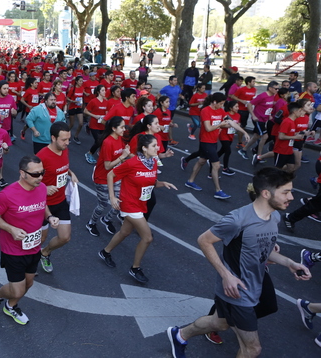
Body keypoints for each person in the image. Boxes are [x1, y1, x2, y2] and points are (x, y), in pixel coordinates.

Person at [167, 167, 311, 358]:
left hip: (256, 281)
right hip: (237, 290)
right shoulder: (237, 220)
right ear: (266, 193)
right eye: (286, 192)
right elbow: (204, 240)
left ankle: (179, 335)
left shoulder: (274, 216)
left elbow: (264, 249)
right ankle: (184, 334)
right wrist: (226, 276)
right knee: (253, 349)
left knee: (220, 323)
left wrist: (289, 262)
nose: (291, 197)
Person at [0, 155, 59, 325]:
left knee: (29, 284)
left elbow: (43, 204)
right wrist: (10, 229)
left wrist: (50, 217)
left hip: (34, 246)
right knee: (17, 289)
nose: (40, 177)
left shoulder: (40, 188)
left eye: (42, 173)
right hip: (13, 249)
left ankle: (10, 306)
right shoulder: (8, 194)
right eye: (35, 174)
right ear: (22, 173)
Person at [98, 134, 177, 284]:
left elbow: (151, 181)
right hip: (129, 203)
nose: (158, 148)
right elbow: (110, 174)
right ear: (144, 148)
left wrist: (162, 183)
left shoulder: (153, 162)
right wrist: (112, 197)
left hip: (141, 203)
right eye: (154, 146)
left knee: (125, 232)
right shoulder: (132, 163)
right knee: (147, 237)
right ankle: (135, 268)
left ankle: (105, 252)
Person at [36, 122, 78, 273]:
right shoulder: (41, 157)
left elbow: (63, 167)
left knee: (65, 237)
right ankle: (28, 264)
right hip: (43, 205)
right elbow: (28, 181)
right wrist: (44, 188)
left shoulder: (64, 150)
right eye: (64, 140)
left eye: (69, 139)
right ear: (53, 138)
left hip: (60, 201)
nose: (67, 143)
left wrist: (71, 173)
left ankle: (45, 253)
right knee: (39, 239)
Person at [185, 93, 242, 199]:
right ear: (214, 102)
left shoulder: (220, 110)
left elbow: (229, 121)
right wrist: (221, 124)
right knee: (216, 165)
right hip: (206, 141)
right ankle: (218, 191)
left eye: (223, 104)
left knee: (201, 161)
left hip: (213, 141)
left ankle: (190, 181)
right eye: (221, 103)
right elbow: (208, 128)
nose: (222, 106)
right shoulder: (205, 110)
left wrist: (244, 132)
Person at [87, 116, 129, 237]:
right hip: (102, 178)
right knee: (103, 204)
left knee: (120, 201)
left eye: (124, 126)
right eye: (121, 127)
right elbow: (107, 166)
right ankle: (91, 223)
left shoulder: (119, 138)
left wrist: (125, 153)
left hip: (115, 176)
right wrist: (122, 156)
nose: (124, 129)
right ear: (114, 128)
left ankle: (106, 219)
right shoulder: (107, 142)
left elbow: (118, 157)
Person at [238, 81, 279, 160]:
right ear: (270, 88)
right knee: (265, 136)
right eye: (276, 88)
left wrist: (269, 115)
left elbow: (268, 106)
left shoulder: (273, 95)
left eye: (278, 88)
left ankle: (244, 149)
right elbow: (250, 104)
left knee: (256, 136)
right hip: (258, 119)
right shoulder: (262, 96)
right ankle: (258, 156)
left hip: (264, 119)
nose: (277, 90)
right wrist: (253, 115)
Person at [83, 85, 109, 164]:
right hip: (94, 124)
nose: (105, 92)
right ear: (98, 92)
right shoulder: (93, 101)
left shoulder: (106, 102)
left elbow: (107, 112)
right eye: (103, 90)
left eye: (105, 90)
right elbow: (85, 111)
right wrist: (95, 116)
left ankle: (100, 152)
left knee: (103, 140)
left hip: (103, 125)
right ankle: (89, 153)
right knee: (98, 140)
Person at [159, 75, 184, 145]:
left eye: (176, 80)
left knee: (168, 123)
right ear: (170, 81)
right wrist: (161, 103)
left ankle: (167, 138)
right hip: (167, 108)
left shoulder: (177, 87)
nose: (176, 82)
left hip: (173, 108)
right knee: (168, 123)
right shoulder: (166, 88)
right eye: (174, 80)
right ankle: (169, 139)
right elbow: (159, 94)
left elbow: (179, 93)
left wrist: (181, 97)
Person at [66, 76, 85, 144]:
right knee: (72, 124)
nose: (81, 82)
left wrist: (82, 104)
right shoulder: (72, 89)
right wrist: (73, 101)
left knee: (81, 123)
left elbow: (81, 97)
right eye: (80, 81)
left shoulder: (82, 88)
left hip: (79, 107)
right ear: (76, 81)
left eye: (82, 81)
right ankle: (66, 134)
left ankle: (76, 136)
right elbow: (67, 98)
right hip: (72, 107)